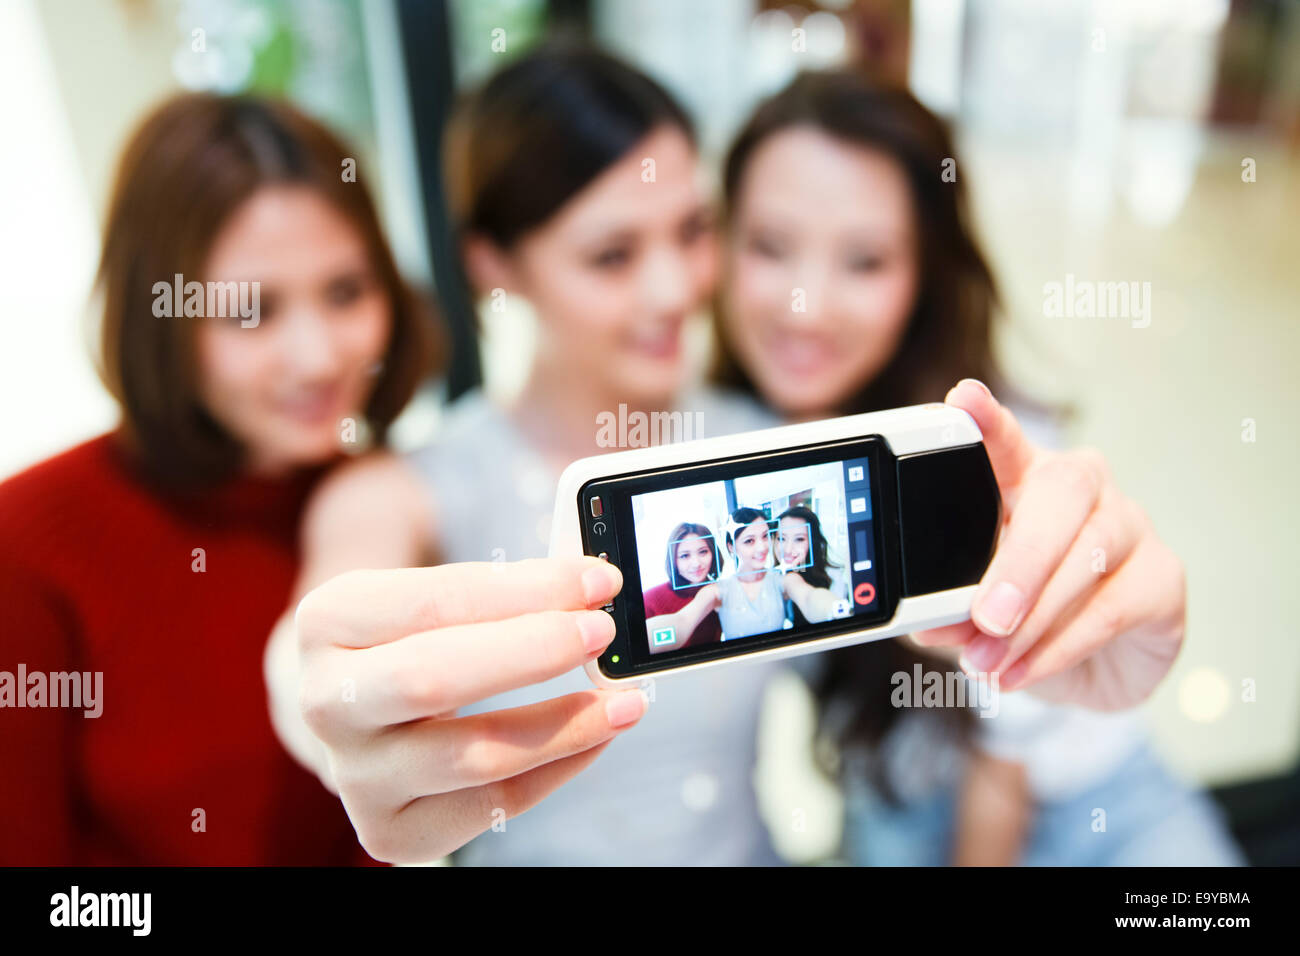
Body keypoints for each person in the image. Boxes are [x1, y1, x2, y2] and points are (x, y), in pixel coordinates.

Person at [265, 45, 785, 865]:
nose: (673, 289)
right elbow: (317, 649)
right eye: (612, 255)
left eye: (692, 231)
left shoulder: (769, 440)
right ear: (493, 266)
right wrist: (326, 696)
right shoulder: (409, 491)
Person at [711, 69, 1239, 865]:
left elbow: (1010, 759)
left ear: (924, 274)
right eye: (770, 246)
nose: (806, 306)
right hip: (894, 798)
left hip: (1088, 805)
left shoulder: (986, 447)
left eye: (865, 260)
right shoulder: (722, 438)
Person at [0, 93, 437, 864]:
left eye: (345, 291)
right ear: (157, 318)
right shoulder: (28, 540)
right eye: (250, 311)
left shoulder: (393, 499)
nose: (318, 355)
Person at [643, 522, 724, 653]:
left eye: (703, 552)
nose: (696, 563)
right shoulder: (649, 599)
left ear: (713, 553)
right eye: (685, 555)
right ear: (673, 560)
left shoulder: (722, 592)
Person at [776, 505, 847, 626]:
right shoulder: (769, 579)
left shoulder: (834, 579)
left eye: (799, 539)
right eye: (781, 538)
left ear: (812, 542)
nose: (788, 549)